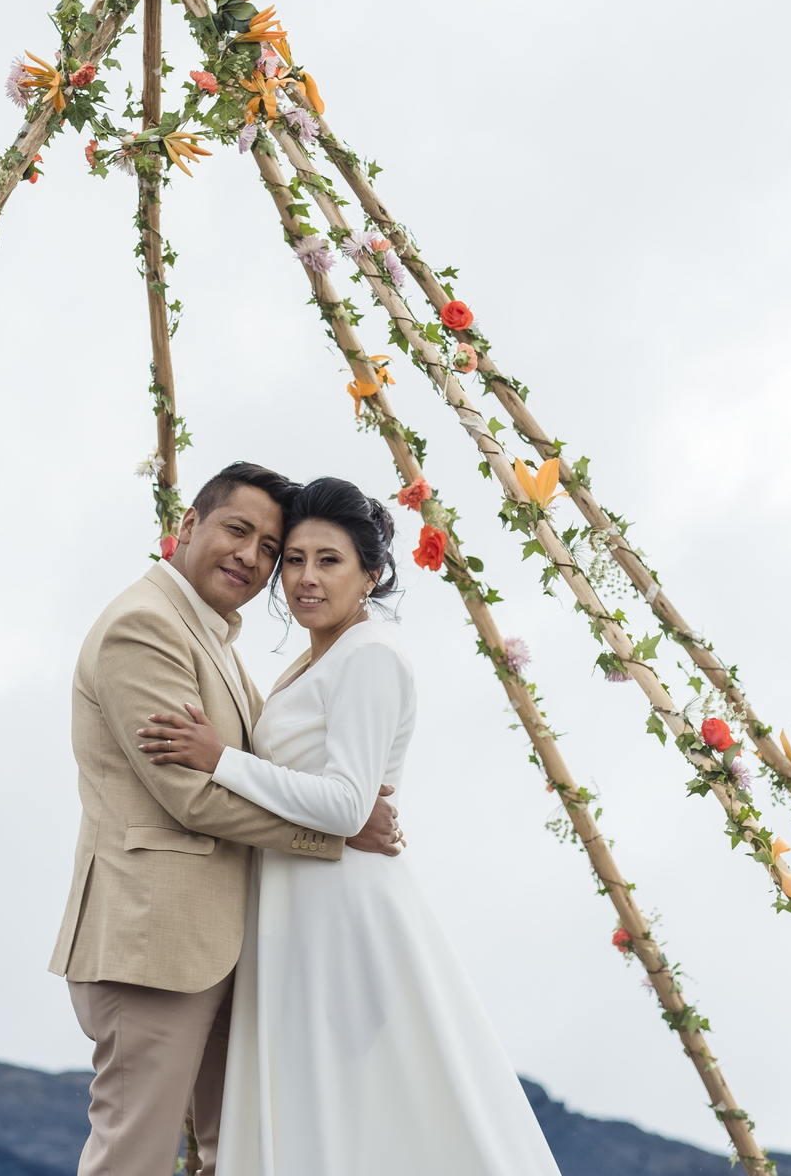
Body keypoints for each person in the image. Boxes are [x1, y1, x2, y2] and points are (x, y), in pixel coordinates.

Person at [140, 475, 562, 1176]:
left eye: (328, 560)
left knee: (354, 1107)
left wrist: (222, 762)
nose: (305, 578)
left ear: (370, 572)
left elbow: (344, 804)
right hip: (300, 904)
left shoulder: (371, 655)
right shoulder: (322, 657)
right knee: (324, 1113)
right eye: (295, 560)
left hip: (341, 907)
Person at [49, 461, 402, 1176]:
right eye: (238, 531)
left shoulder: (215, 638)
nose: (253, 557)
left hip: (222, 945)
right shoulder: (145, 626)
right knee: (133, 1156)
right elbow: (192, 794)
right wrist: (336, 831)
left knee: (234, 1155)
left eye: (270, 548)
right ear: (187, 527)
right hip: (155, 941)